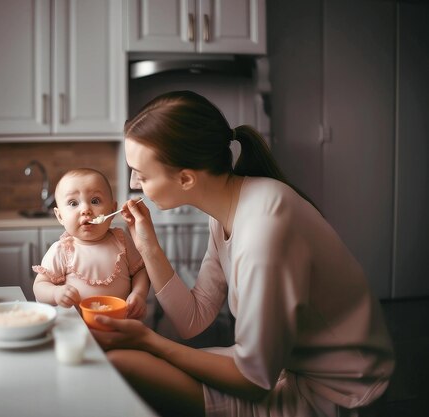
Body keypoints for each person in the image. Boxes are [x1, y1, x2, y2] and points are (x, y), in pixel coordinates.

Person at [90, 91, 395, 417]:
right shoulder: (228, 204)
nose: (134, 184)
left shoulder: (263, 232)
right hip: (282, 369)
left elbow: (254, 379)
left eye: (142, 174)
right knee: (125, 361)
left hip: (335, 394)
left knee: (126, 364)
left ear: (186, 178)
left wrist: (151, 342)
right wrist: (147, 245)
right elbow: (193, 318)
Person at [32, 168, 149, 319]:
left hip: (121, 324)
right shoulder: (61, 250)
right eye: (73, 203)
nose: (85, 210)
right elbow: (39, 286)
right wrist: (55, 293)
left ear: (112, 209)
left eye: (95, 201)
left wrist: (139, 294)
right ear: (60, 216)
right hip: (78, 328)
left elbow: (140, 271)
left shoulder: (122, 240)